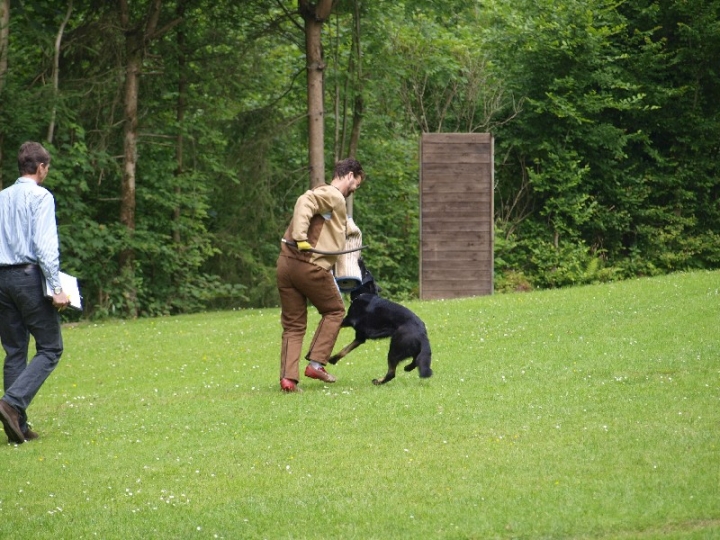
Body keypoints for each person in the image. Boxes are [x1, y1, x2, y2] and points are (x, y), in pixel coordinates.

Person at [0, 141, 70, 444]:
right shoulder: (41, 197)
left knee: (15, 350)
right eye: (47, 168)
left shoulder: (1, 197)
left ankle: (18, 427)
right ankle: (11, 403)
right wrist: (57, 287)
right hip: (28, 278)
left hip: (1, 279)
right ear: (40, 167)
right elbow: (44, 246)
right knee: (51, 348)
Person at [276, 158, 365, 392]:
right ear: (349, 175)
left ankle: (288, 379)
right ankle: (316, 364)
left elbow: (323, 224)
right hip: (308, 265)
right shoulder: (333, 194)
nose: (354, 189)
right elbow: (304, 201)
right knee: (335, 311)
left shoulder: (329, 198)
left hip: (285, 264)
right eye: (356, 183)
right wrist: (302, 237)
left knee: (293, 325)